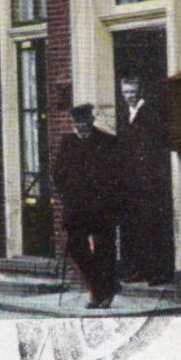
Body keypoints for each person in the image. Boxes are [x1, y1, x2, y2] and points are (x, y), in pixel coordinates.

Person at [52, 104, 124, 309]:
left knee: (104, 250)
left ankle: (103, 294)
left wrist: (108, 198)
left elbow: (116, 176)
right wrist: (67, 193)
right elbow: (58, 173)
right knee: (75, 247)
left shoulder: (107, 142)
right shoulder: (67, 143)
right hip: (76, 208)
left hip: (102, 208)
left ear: (91, 121)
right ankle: (100, 287)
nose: (79, 127)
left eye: (83, 123)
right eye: (76, 123)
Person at [116, 76, 174, 286]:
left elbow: (153, 146)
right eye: (125, 93)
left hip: (148, 181)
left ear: (139, 92)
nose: (129, 96)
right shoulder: (126, 114)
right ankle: (138, 269)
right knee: (136, 227)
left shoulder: (149, 113)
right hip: (133, 181)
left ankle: (157, 272)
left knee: (152, 226)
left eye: (132, 92)